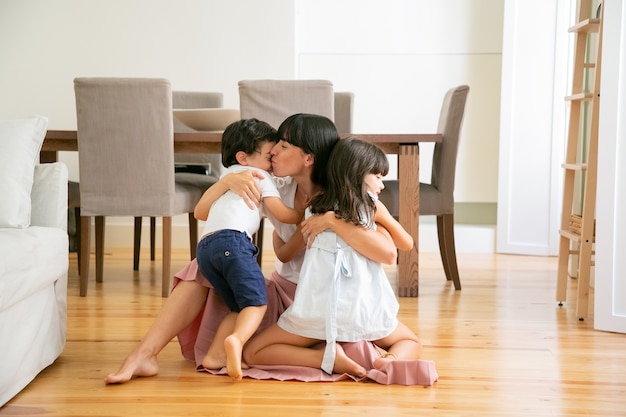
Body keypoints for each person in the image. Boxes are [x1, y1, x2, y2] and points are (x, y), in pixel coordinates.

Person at [104, 113, 340, 384]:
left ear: (308, 157)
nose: (274, 151)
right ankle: (144, 353)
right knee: (200, 268)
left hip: (311, 300)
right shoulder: (275, 183)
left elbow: (289, 247)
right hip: (278, 287)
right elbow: (206, 212)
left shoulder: (337, 196)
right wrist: (225, 182)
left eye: (283, 145)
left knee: (231, 281)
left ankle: (220, 350)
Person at [242, 138, 421, 377]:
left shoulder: (312, 209)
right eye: (378, 176)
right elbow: (405, 244)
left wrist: (279, 234)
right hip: (363, 311)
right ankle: (389, 361)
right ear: (359, 174)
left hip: (315, 312)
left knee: (253, 352)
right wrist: (383, 224)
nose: (382, 184)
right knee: (411, 341)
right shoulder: (371, 208)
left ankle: (324, 358)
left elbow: (285, 254)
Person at [194, 118, 303, 381]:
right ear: (244, 157)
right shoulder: (258, 175)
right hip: (234, 243)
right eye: (268, 155)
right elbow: (283, 214)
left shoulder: (227, 176)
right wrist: (306, 210)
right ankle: (237, 340)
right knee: (257, 301)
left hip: (206, 250)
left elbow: (200, 212)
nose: (272, 160)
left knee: (238, 306)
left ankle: (214, 356)